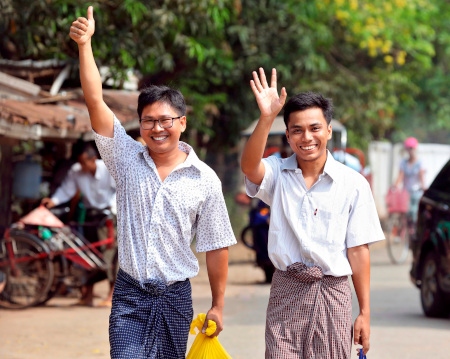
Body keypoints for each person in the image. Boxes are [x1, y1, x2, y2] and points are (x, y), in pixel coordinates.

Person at [69, 6, 236, 359]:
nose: (157, 129)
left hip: (175, 297)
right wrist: (85, 45)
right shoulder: (126, 158)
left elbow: (217, 244)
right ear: (140, 125)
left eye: (165, 120)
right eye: (148, 121)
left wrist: (218, 305)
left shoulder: (204, 179)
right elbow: (94, 100)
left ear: (183, 123)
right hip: (129, 296)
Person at [241, 68, 384, 358]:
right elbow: (249, 167)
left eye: (315, 128)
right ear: (289, 136)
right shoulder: (277, 173)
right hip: (286, 292)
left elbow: (358, 250)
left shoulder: (353, 184)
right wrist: (267, 117)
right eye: (297, 130)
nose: (307, 137)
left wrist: (365, 312)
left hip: (333, 294)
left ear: (328, 130)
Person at [41, 142, 117, 307]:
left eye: (85, 162)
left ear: (93, 159)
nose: (82, 166)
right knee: (87, 254)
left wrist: (113, 210)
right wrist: (53, 201)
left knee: (109, 256)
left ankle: (111, 296)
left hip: (108, 217)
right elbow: (66, 190)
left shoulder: (108, 169)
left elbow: (119, 190)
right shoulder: (76, 171)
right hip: (90, 217)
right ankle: (87, 296)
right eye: (80, 162)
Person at [394, 137, 426, 226]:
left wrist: (424, 188)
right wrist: (395, 186)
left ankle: (414, 232)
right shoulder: (403, 162)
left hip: (417, 193)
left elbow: (422, 176)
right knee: (404, 213)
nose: (410, 151)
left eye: (412, 148)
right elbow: (400, 176)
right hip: (406, 191)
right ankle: (403, 232)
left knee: (414, 212)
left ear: (415, 149)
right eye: (409, 148)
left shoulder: (420, 163)